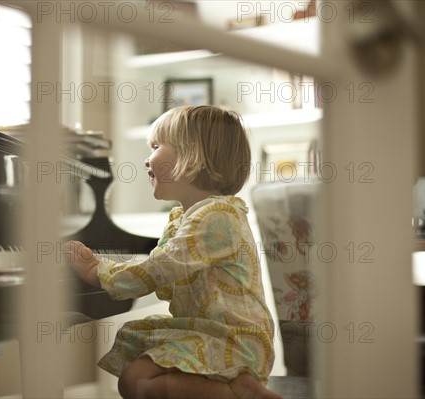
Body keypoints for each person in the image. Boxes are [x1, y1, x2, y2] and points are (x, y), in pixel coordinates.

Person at [67, 105, 281, 399]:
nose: (146, 159)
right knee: (135, 379)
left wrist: (97, 270)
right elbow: (166, 278)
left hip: (233, 342)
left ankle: (237, 389)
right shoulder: (188, 217)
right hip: (206, 333)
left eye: (155, 146)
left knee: (137, 383)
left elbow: (159, 270)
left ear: (191, 156)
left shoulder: (216, 216)